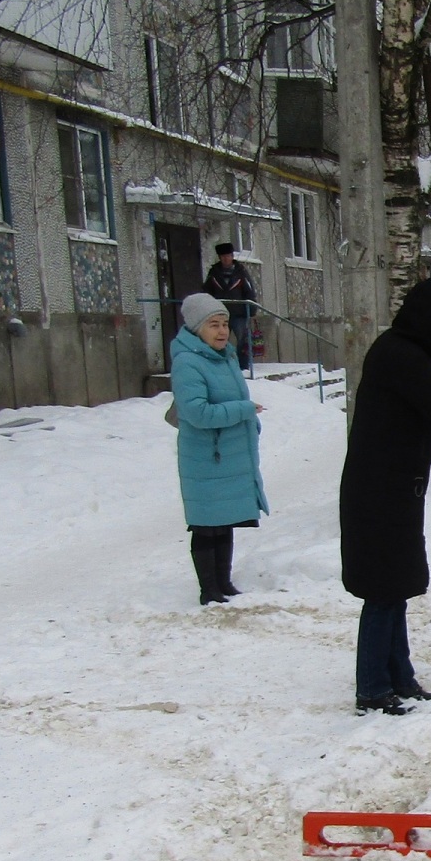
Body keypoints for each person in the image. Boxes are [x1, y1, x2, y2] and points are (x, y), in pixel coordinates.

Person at [339, 279, 431, 716]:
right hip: (380, 494)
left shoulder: (403, 352)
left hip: (392, 490)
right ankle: (372, 689)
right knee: (383, 591)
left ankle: (399, 678)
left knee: (395, 587)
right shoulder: (402, 357)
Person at [171, 291, 268, 606]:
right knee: (206, 524)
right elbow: (197, 413)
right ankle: (208, 589)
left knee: (224, 519)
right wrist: (244, 410)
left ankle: (223, 583)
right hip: (205, 456)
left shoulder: (224, 356)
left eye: (225, 323)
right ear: (197, 327)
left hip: (225, 453)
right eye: (214, 324)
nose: (223, 331)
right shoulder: (188, 362)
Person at [202, 242, 257, 372]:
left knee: (242, 340)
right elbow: (206, 292)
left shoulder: (241, 272)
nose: (226, 259)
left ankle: (243, 366)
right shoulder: (214, 273)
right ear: (220, 258)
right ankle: (219, 364)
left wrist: (252, 309)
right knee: (218, 339)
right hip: (220, 314)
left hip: (238, 314)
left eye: (228, 256)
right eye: (223, 256)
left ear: (232, 256)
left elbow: (249, 291)